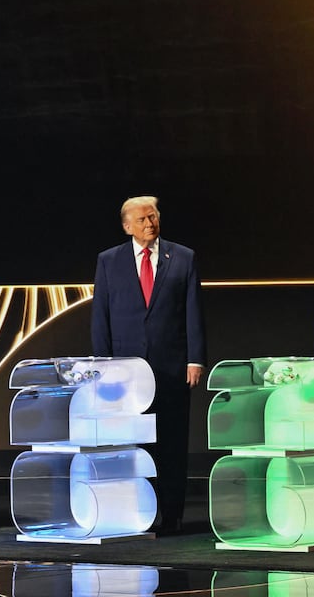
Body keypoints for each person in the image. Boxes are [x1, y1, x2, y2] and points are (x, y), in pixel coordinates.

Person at [91, 195, 207, 535]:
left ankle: (172, 514)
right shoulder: (108, 262)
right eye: (141, 219)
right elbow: (101, 317)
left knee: (171, 441)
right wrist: (102, 366)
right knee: (131, 442)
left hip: (171, 368)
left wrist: (195, 359)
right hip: (125, 373)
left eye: (153, 217)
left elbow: (193, 312)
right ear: (127, 226)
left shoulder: (182, 258)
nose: (149, 224)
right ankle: (136, 511)